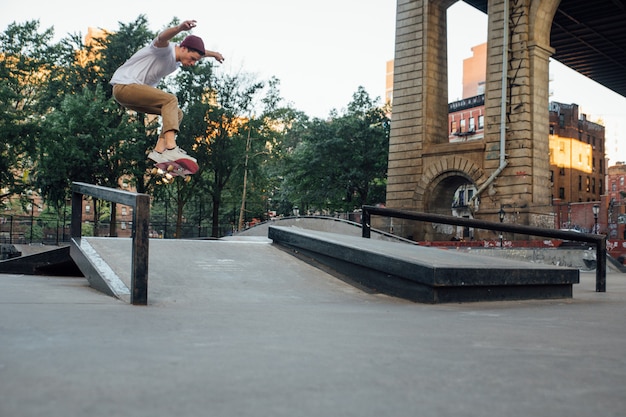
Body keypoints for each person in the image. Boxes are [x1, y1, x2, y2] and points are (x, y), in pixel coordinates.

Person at [110, 19, 224, 165]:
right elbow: (161, 37)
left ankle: (158, 151)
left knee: (177, 113)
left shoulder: (178, 58)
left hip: (131, 94)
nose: (192, 63)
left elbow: (199, 52)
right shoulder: (165, 50)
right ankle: (171, 148)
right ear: (183, 48)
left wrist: (214, 54)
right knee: (170, 100)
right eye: (192, 59)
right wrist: (179, 28)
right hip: (124, 86)